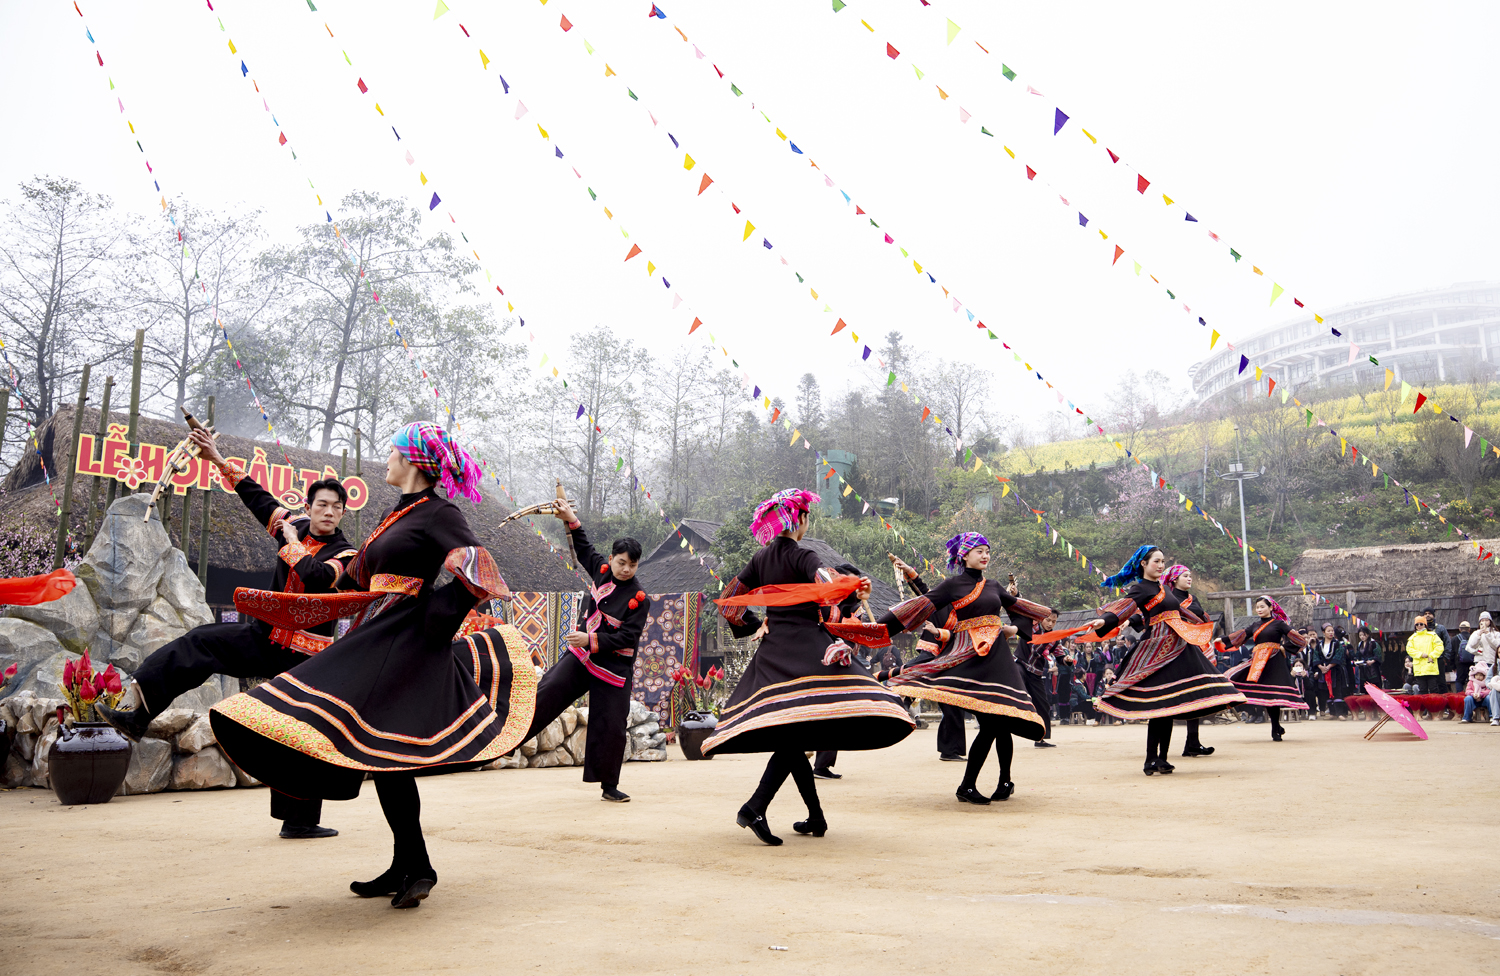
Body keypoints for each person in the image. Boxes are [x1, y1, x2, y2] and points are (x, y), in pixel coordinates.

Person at [208, 422, 517, 909]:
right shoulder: (395, 515)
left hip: (405, 641)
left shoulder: (440, 512)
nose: (386, 460)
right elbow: (343, 580)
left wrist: (432, 614)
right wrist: (286, 536)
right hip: (374, 635)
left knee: (384, 753)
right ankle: (409, 866)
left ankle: (417, 867)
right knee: (385, 757)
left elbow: (479, 568)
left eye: (393, 453)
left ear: (414, 462)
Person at [98, 427, 358, 840]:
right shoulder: (293, 524)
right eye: (321, 504)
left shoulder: (347, 555)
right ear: (309, 506)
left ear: (343, 513)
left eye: (335, 507)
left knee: (298, 730)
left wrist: (291, 542)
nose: (328, 511)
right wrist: (216, 457)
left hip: (308, 656)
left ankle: (300, 821)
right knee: (203, 640)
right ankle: (139, 712)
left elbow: (315, 578)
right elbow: (255, 496)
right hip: (265, 638)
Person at [705, 489, 914, 845]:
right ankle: (755, 807)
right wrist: (851, 587)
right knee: (801, 734)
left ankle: (814, 817)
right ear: (799, 520)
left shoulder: (760, 558)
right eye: (805, 519)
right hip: (807, 647)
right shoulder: (805, 554)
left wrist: (758, 627)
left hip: (774, 651)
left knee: (796, 735)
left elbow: (729, 605)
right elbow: (826, 586)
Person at [867, 533, 1050, 805]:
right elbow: (916, 606)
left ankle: (1003, 781)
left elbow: (1021, 612)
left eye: (987, 550)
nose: (985, 555)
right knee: (992, 723)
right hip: (970, 658)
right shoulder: (952, 586)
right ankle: (969, 786)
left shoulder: (994, 586)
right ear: (964, 556)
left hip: (998, 659)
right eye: (978, 551)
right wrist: (873, 630)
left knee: (1001, 719)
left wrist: (1013, 628)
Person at [523, 500, 650, 803]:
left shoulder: (639, 598)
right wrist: (570, 519)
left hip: (612, 669)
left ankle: (609, 785)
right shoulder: (601, 571)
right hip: (581, 658)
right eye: (621, 562)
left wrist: (590, 639)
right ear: (612, 559)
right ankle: (507, 736)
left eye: (632, 565)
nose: (626, 569)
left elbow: (627, 636)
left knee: (611, 725)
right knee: (548, 690)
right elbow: (583, 547)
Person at [1086, 545, 1245, 776]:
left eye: (1163, 562)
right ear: (1143, 564)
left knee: (1169, 706)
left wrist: (1204, 630)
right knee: (1159, 707)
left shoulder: (1164, 588)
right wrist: (1106, 621)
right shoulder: (1140, 588)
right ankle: (1151, 759)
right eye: (1156, 561)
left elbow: (1181, 613)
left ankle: (1162, 759)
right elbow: (1127, 607)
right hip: (1157, 650)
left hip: (1178, 647)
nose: (1161, 565)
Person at [887, 555, 969, 760]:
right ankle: (887, 687)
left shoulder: (965, 614)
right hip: (929, 654)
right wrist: (908, 569)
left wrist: (938, 632)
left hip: (949, 661)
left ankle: (950, 750)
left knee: (953, 703)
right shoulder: (939, 602)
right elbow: (922, 589)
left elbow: (959, 637)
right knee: (908, 672)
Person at [811, 561, 875, 780]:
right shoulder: (819, 599)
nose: (851, 587)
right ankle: (810, 751)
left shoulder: (850, 606)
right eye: (847, 581)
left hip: (841, 663)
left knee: (837, 712)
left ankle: (822, 763)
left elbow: (850, 616)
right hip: (816, 661)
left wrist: (860, 597)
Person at [1219, 595, 1310, 741]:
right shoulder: (1255, 625)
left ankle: (1275, 728)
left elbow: (1299, 639)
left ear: (1270, 607)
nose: (1259, 609)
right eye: (1257, 607)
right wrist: (1223, 640)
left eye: (1262, 606)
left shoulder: (1279, 624)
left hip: (1274, 661)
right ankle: (1275, 726)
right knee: (1240, 684)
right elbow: (1241, 635)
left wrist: (1283, 647)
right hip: (1258, 662)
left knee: (1273, 694)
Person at [1164, 566, 1218, 758]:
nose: (1189, 579)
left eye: (1190, 576)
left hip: (1193, 648)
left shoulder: (1193, 599)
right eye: (1185, 576)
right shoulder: (1168, 598)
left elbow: (1201, 619)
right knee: (1171, 695)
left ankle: (1192, 742)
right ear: (1174, 578)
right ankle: (1161, 749)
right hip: (1175, 649)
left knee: (1195, 694)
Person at [1014, 605, 1059, 748]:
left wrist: (1067, 660)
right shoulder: (1031, 626)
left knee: (1043, 705)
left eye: (1053, 621)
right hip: (1020, 664)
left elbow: (1061, 655)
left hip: (1036, 674)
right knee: (1017, 690)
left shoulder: (1054, 639)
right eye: (1048, 620)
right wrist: (1016, 594)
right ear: (1041, 619)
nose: (1050, 623)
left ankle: (1041, 738)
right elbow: (1022, 611)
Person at [1310, 623, 1350, 717]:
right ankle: (1332, 713)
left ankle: (1340, 713)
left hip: (1335, 671)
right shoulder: (1319, 645)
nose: (1331, 633)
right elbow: (1315, 656)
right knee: (1326, 691)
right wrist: (1321, 667)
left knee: (1337, 691)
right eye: (1328, 631)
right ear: (1323, 632)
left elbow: (1339, 655)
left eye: (1332, 631)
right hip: (1323, 671)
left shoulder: (1337, 644)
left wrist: (1329, 666)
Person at [1405, 616, 1446, 695]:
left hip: (1431, 667)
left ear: (1425, 625)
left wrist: (1432, 655)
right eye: (1417, 624)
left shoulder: (1432, 635)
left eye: (1421, 624)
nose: (1419, 626)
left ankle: (1434, 706)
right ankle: (1424, 707)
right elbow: (1409, 650)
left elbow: (1440, 647)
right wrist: (1420, 655)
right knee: (1422, 690)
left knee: (1433, 689)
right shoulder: (1412, 638)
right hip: (1419, 669)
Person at [1470, 613, 1500, 677]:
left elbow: (1497, 646)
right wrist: (1478, 635)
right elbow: (1471, 645)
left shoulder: (1496, 634)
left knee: (1491, 680)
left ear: (1490, 621)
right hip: (1479, 661)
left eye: (1486, 620)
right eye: (1482, 620)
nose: (1484, 622)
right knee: (1479, 681)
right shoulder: (1475, 633)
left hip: (1491, 661)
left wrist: (1488, 634)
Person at [1452, 620, 1475, 692]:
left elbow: (1452, 653)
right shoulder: (1473, 637)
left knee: (1459, 681)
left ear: (1459, 629)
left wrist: (1453, 666)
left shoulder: (1455, 639)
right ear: (1469, 629)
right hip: (1472, 663)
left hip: (1460, 664)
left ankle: (1460, 697)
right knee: (1473, 680)